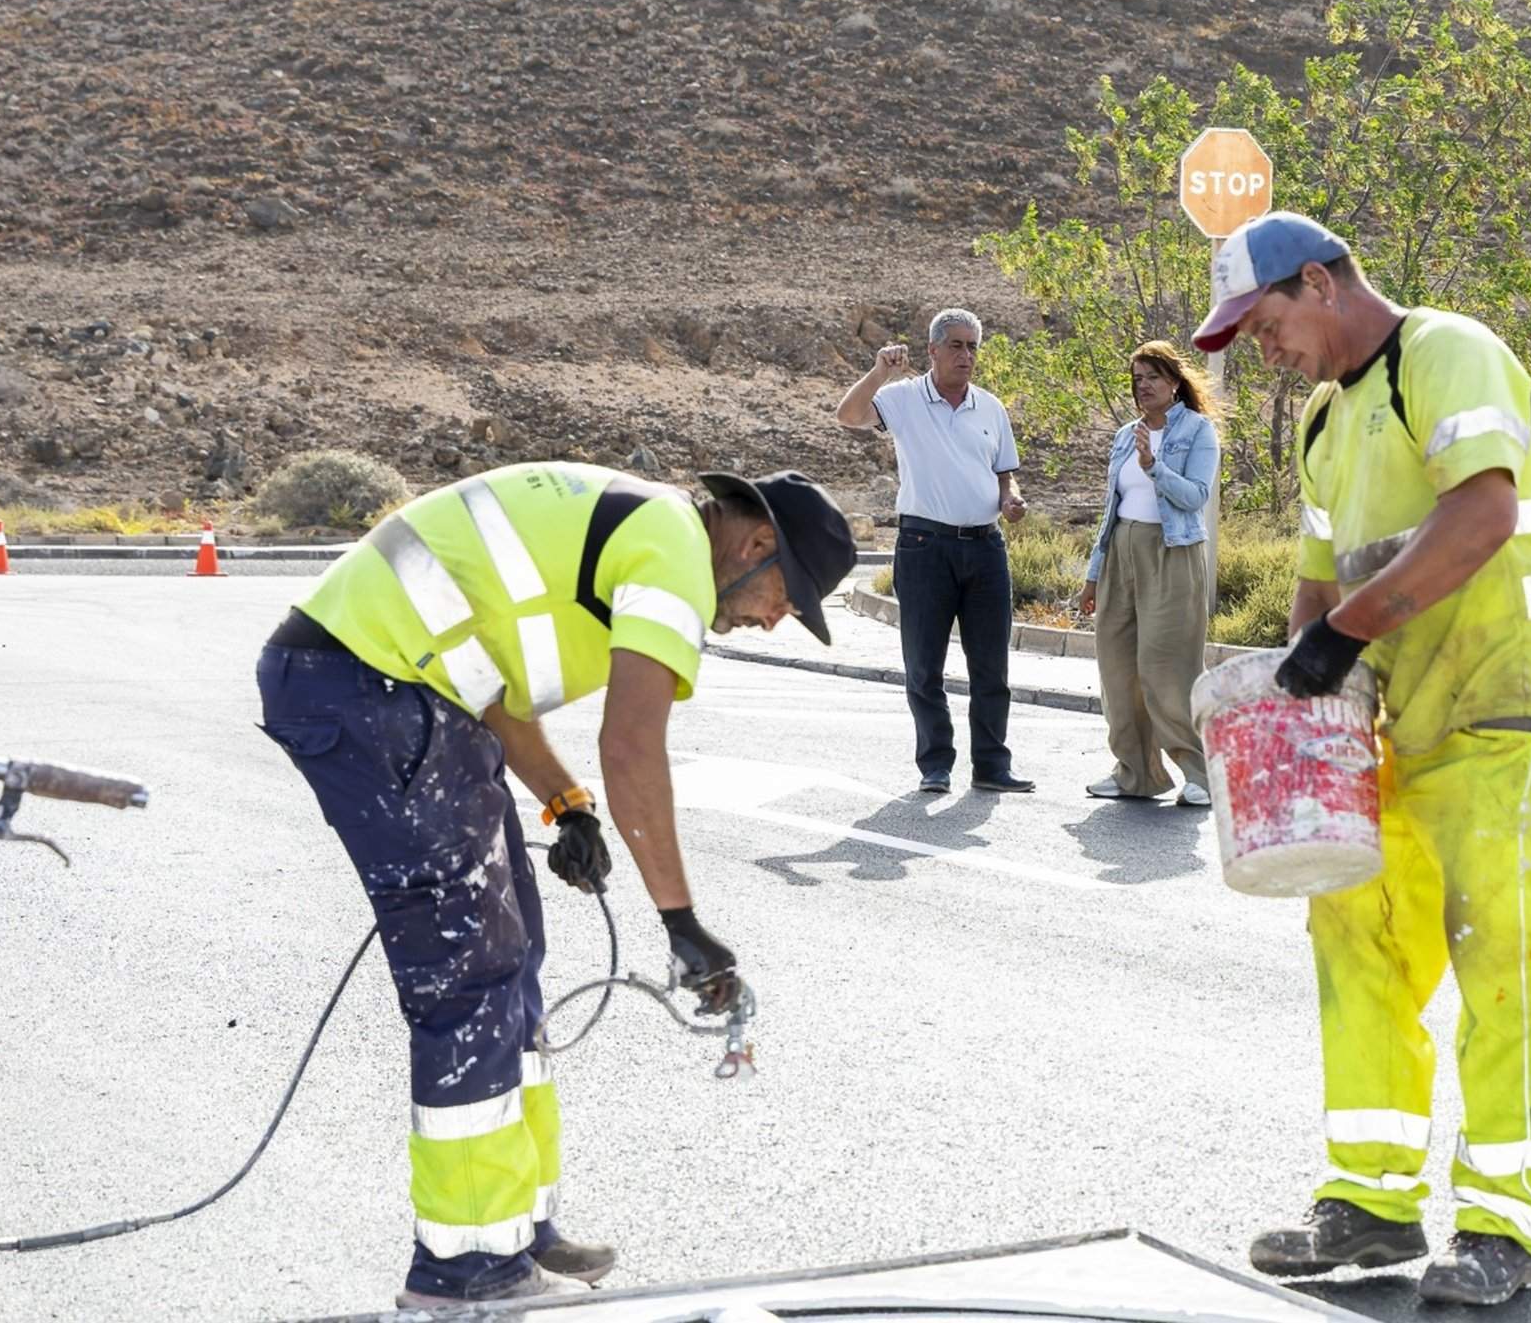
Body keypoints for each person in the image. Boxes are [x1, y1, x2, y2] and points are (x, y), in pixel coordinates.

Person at [255, 461, 857, 1308]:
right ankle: (464, 1270)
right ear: (756, 545)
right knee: (470, 978)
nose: (772, 620)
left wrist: (566, 804)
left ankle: (518, 1231)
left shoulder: (648, 526)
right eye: (784, 599)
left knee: (514, 952)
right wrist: (680, 920)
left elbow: (488, 681)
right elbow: (634, 742)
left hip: (401, 689)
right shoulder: (677, 553)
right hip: (365, 687)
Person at [1192, 213, 1531, 1308]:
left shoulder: (1446, 354)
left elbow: (1481, 514)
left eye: (1265, 322)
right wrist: (1298, 698)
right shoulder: (1326, 421)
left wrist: (1342, 638)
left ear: (1318, 283)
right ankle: (1368, 1202)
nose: (1261, 349)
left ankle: (1503, 1222)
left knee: (1494, 947)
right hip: (1393, 724)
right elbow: (1317, 588)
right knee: (1353, 933)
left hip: (1503, 706)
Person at [835, 308, 1034, 795]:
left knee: (991, 664)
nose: (966, 355)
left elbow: (1004, 470)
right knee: (924, 664)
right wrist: (880, 371)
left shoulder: (990, 407)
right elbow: (848, 416)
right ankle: (936, 764)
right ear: (933, 350)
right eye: (957, 345)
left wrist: (1010, 496)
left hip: (985, 547)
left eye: (972, 347)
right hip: (924, 547)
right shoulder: (902, 398)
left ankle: (991, 765)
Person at [1079, 341, 1220, 806]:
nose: (1143, 387)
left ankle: (1199, 772)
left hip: (1173, 552)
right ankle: (1135, 773)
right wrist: (1093, 574)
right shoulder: (1126, 434)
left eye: (1152, 377)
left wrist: (1154, 467)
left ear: (1174, 382)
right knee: (1116, 665)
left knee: (1167, 667)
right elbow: (1110, 512)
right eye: (1137, 379)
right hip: (1122, 552)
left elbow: (1195, 496)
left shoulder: (1198, 431)